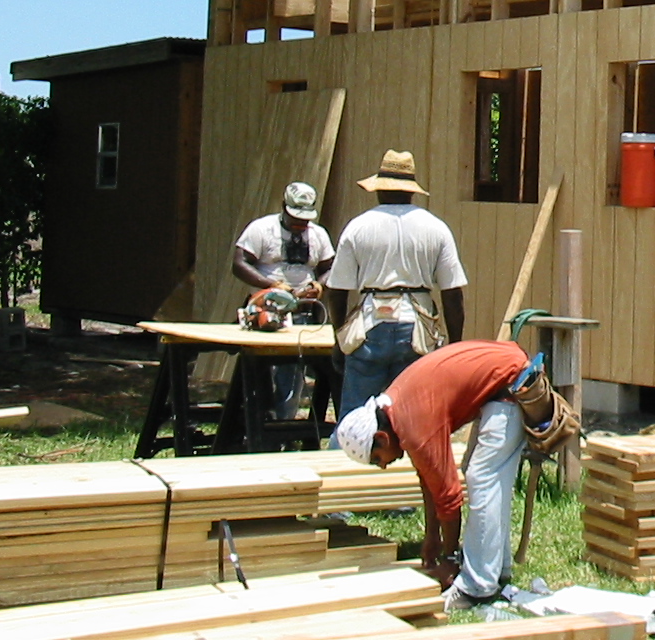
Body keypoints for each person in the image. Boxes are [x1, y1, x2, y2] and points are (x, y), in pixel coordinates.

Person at [334, 339, 575, 608]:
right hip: (503, 378)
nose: (383, 465)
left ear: (381, 437)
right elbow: (428, 478)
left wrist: (448, 560)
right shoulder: (398, 409)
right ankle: (498, 570)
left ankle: (477, 587)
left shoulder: (413, 425)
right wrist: (432, 537)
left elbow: (448, 497)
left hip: (510, 383)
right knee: (488, 478)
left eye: (377, 458)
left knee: (482, 478)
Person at [325, 150, 467, 416]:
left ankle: (348, 454)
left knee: (356, 418)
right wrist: (455, 345)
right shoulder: (436, 228)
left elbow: (337, 291)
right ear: (411, 191)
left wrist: (338, 335)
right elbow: (452, 294)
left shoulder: (358, 227)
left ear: (379, 189)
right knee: (412, 416)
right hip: (416, 329)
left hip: (370, 324)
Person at [231, 181, 333, 417]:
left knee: (293, 372)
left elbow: (331, 266)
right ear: (284, 208)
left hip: (303, 311)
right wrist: (271, 284)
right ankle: (257, 420)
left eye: (304, 220)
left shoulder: (318, 235)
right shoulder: (261, 229)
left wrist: (319, 284)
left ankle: (284, 422)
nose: (299, 225)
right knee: (260, 371)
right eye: (295, 218)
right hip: (267, 307)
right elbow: (239, 264)